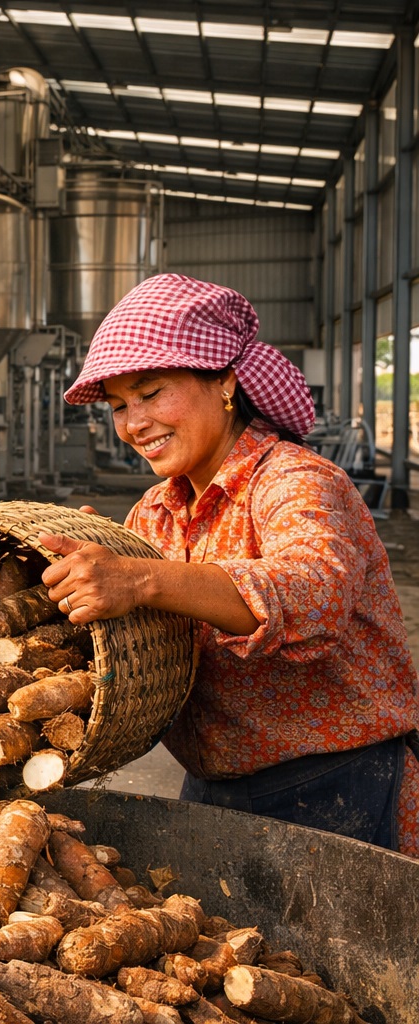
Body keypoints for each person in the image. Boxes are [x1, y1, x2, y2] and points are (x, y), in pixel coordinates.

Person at [41, 272, 419, 856]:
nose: (133, 423)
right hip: (213, 789)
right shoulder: (157, 511)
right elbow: (144, 637)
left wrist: (140, 578)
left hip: (338, 788)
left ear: (223, 381)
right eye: (118, 406)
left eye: (150, 392)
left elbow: (314, 592)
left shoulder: (295, 481)